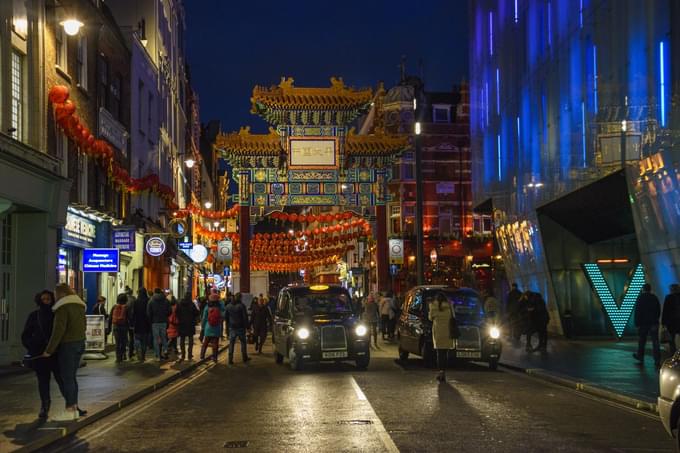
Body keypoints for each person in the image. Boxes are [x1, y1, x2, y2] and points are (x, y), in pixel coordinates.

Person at [43, 284, 87, 422]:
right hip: (80, 343)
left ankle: (69, 410)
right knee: (72, 378)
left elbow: (58, 331)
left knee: (67, 378)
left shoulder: (63, 308)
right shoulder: (80, 306)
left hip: (68, 345)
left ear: (60, 294)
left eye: (56, 295)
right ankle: (73, 409)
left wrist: (48, 350)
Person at [22, 290, 63, 419]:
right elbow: (26, 334)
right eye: (43, 299)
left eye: (48, 299)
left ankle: (72, 403)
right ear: (39, 300)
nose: (46, 301)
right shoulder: (34, 315)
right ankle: (45, 406)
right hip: (40, 354)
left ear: (52, 300)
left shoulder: (57, 314)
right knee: (43, 381)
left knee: (61, 380)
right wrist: (32, 346)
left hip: (56, 353)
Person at [428, 292, 456, 382]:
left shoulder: (433, 306)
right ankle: (443, 372)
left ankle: (440, 372)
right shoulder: (449, 306)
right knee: (445, 353)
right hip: (448, 332)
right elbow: (453, 316)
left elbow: (430, 318)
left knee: (439, 354)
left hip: (438, 332)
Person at [633, 283, 661, 367]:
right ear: (650, 289)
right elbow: (658, 310)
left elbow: (638, 312)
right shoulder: (654, 298)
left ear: (643, 289)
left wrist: (637, 323)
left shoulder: (640, 298)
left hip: (643, 323)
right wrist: (655, 319)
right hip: (653, 323)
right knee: (655, 342)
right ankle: (657, 360)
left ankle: (640, 357)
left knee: (642, 341)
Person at [225, 292, 251, 365]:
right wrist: (248, 327)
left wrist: (227, 329)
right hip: (240, 327)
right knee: (243, 343)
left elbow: (226, 318)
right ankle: (244, 357)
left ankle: (230, 359)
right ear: (240, 298)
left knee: (231, 343)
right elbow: (245, 318)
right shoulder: (241, 306)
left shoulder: (228, 306)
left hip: (232, 327)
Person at [200, 291, 225, 363]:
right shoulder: (219, 307)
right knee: (215, 344)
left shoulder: (207, 307)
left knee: (205, 342)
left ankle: (202, 356)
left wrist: (203, 326)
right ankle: (215, 358)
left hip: (208, 327)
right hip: (217, 327)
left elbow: (204, 318)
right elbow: (223, 315)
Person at [147, 288, 171, 361]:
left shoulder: (151, 300)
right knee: (164, 337)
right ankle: (165, 350)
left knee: (156, 339)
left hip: (155, 322)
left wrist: (151, 320)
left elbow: (148, 312)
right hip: (163, 321)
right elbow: (169, 311)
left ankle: (157, 355)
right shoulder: (166, 300)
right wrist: (165, 316)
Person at [176, 292, 200, 362]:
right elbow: (196, 313)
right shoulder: (191, 304)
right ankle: (189, 354)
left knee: (182, 339)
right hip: (190, 323)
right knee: (190, 339)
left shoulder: (180, 303)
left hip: (182, 323)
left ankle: (183, 355)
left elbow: (177, 312)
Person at [130, 288, 151, 362]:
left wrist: (132, 323)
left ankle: (138, 355)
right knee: (144, 341)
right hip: (146, 324)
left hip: (137, 323)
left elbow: (133, 313)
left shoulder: (136, 301)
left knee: (137, 339)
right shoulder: (148, 301)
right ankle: (143, 356)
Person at [109, 294, 130, 363]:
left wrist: (109, 328)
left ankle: (118, 358)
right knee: (123, 342)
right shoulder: (126, 307)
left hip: (116, 327)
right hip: (124, 327)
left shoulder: (114, 307)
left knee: (117, 343)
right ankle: (123, 355)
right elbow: (129, 317)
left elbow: (110, 318)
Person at [662, 284, 680, 354]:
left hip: (671, 322)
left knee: (671, 340)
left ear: (672, 290)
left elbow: (665, 311)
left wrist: (663, 323)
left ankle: (674, 355)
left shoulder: (668, 297)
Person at [124, 287, 136, 360]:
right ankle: (130, 353)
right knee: (132, 338)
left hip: (123, 322)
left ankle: (123, 354)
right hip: (131, 322)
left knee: (124, 338)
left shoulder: (123, 300)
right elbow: (134, 312)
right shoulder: (134, 300)